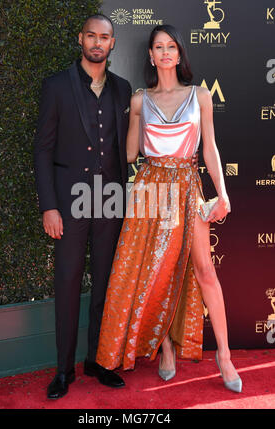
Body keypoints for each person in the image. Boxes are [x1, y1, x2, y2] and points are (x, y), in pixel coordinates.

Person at [96, 24, 242, 393]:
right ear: (150, 55)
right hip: (150, 189)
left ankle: (224, 355)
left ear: (179, 54)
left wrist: (221, 193)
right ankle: (166, 350)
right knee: (155, 272)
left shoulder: (200, 95)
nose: (164, 52)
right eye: (158, 47)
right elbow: (131, 154)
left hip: (187, 186)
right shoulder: (140, 100)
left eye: (170, 46)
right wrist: (130, 118)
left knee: (205, 269)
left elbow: (209, 148)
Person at [34, 14, 132, 399]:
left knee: (107, 283)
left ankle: (97, 360)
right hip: (70, 204)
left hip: (111, 202)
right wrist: (49, 206)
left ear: (112, 43)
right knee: (68, 282)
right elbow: (42, 150)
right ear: (80, 39)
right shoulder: (56, 86)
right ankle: (63, 369)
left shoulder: (124, 90)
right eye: (91, 35)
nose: (97, 42)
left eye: (104, 37)